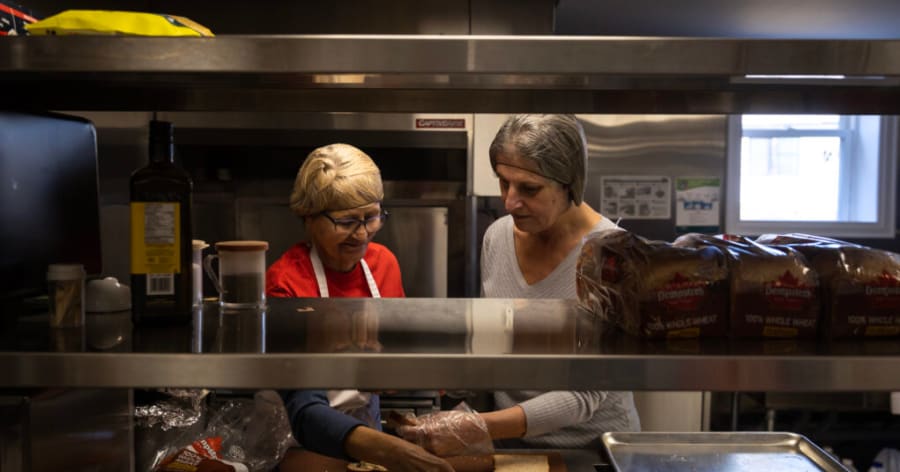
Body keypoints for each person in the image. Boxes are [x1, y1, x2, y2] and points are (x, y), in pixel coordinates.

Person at [398, 114, 640, 452]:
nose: (509, 202)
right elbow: (497, 339)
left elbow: (587, 392)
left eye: (529, 189)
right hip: (513, 444)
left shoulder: (613, 255)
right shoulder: (498, 236)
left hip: (592, 450)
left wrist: (481, 426)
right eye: (503, 182)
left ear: (570, 183)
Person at [266, 143, 453, 472]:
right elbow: (303, 406)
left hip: (368, 435)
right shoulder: (285, 283)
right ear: (309, 218)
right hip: (296, 441)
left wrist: (396, 373)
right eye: (348, 221)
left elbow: (396, 357)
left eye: (372, 217)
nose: (363, 234)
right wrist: (392, 452)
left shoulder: (384, 265)